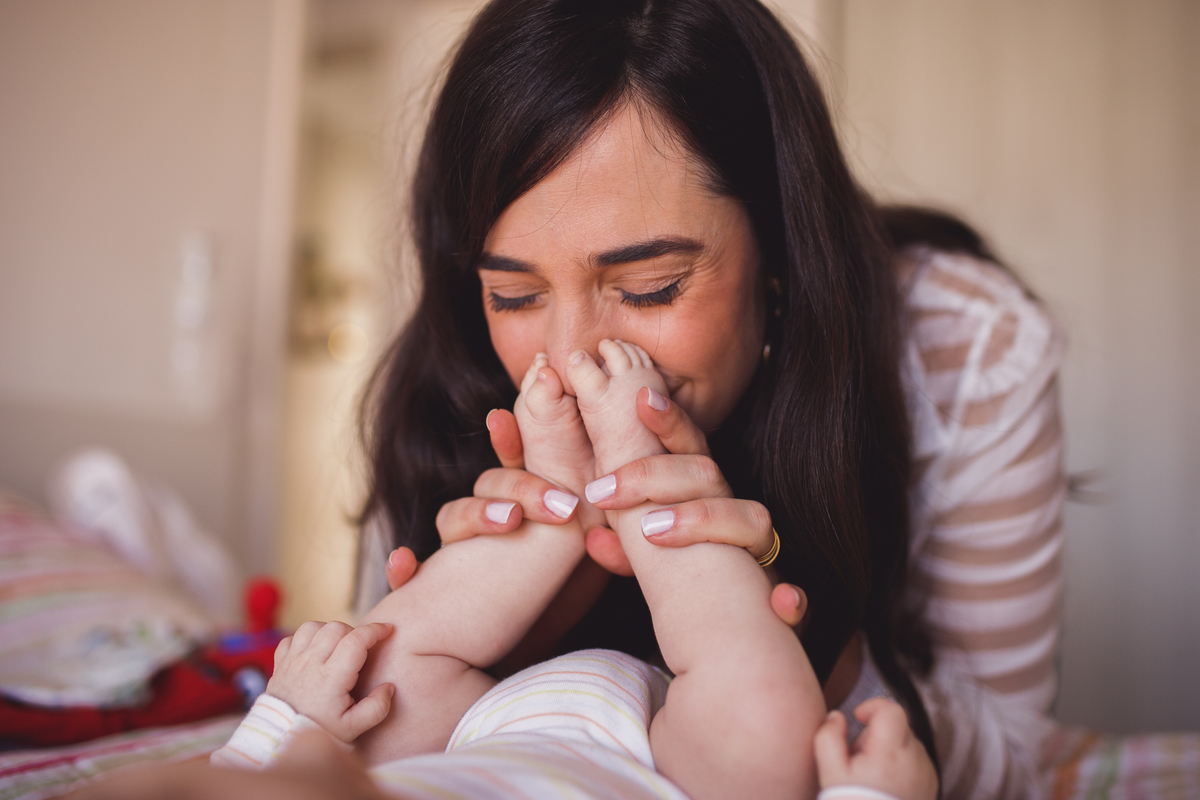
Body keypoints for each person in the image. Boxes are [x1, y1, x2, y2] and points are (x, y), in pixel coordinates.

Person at [357, 1, 1066, 798]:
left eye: (650, 287)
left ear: (780, 251)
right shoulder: (445, 376)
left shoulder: (962, 349)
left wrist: (794, 644)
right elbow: (354, 736)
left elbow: (1016, 766)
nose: (572, 358)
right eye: (514, 295)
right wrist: (501, 640)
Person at [69, 344, 938, 800]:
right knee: (766, 742)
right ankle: (642, 481)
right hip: (671, 772)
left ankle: (559, 503)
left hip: (473, 734)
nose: (293, 757)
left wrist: (284, 716)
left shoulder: (322, 767)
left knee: (376, 677)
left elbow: (233, 774)